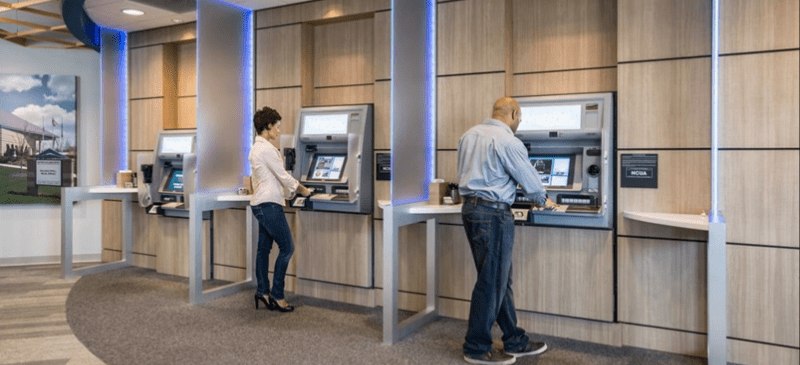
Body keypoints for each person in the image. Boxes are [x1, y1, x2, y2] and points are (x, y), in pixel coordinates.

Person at [457, 97, 554, 365]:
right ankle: (476, 347)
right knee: (492, 281)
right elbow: (532, 184)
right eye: (519, 119)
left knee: (497, 279)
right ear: (513, 113)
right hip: (494, 214)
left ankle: (514, 340)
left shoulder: (468, 135)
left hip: (471, 210)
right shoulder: (508, 141)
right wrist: (546, 200)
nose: (519, 124)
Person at [249, 106, 311, 313]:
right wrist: (303, 189)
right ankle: (277, 295)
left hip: (259, 204)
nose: (279, 131)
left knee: (263, 250)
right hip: (269, 205)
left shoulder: (255, 148)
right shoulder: (267, 149)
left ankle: (262, 292)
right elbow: (283, 176)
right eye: (277, 127)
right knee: (287, 248)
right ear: (268, 126)